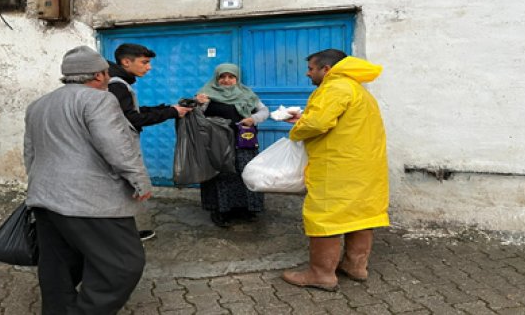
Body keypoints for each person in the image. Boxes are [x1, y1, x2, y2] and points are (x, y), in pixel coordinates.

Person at [24, 45, 152, 314]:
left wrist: (41, 185)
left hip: (45, 199)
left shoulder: (38, 105)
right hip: (90, 201)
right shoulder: (99, 100)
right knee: (123, 264)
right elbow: (116, 147)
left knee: (59, 265)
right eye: (106, 72)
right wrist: (139, 180)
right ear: (97, 76)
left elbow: (30, 153)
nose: (108, 77)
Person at [281, 48, 389, 291]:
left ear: (326, 69)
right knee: (361, 214)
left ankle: (321, 274)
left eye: (311, 68)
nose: (307, 74)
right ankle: (355, 266)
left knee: (325, 216)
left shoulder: (334, 87)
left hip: (338, 166)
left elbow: (318, 123)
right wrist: (304, 120)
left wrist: (297, 130)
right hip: (364, 165)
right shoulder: (357, 89)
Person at [108, 43, 192, 240]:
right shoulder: (117, 85)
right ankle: (122, 237)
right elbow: (133, 119)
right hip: (119, 145)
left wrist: (168, 109)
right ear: (126, 62)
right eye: (144, 62)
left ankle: (124, 234)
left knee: (123, 190)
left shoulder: (118, 82)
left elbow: (131, 112)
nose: (149, 67)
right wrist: (171, 112)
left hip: (118, 144)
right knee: (121, 190)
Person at [194, 63, 269, 227]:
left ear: (237, 78)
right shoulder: (206, 95)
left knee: (245, 173)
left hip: (243, 142)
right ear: (217, 78)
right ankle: (220, 211)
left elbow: (264, 111)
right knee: (221, 175)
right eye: (222, 77)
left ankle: (246, 209)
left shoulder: (247, 94)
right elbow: (196, 117)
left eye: (231, 77)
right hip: (216, 144)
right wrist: (197, 103)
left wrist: (253, 119)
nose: (227, 80)